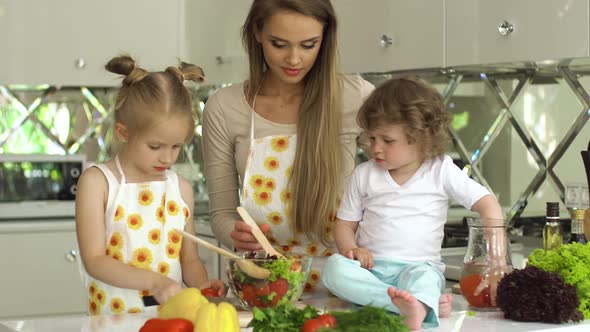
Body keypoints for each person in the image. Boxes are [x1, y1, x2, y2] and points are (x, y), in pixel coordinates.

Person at [201, 0, 374, 291]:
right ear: (257, 32)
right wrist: (236, 233)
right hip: (265, 286)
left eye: (309, 45)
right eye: (279, 44)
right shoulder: (224, 108)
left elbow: (403, 178)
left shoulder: (356, 98)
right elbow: (221, 213)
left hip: (349, 284)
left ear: (326, 38)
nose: (294, 59)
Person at [321, 77, 507, 330]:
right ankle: (418, 305)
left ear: (421, 137)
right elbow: (344, 225)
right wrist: (351, 249)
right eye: (372, 138)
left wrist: (497, 260)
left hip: (419, 268)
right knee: (334, 269)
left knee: (426, 280)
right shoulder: (364, 174)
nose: (375, 148)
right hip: (371, 269)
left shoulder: (440, 170)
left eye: (387, 140)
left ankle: (414, 300)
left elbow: (488, 204)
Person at [75, 55, 224, 315]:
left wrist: (201, 285)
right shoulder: (97, 183)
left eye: (176, 146)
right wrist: (155, 282)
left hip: (172, 319)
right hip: (113, 320)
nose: (167, 157)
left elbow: (189, 258)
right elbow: (95, 260)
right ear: (123, 133)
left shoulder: (181, 189)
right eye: (155, 146)